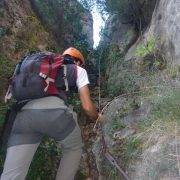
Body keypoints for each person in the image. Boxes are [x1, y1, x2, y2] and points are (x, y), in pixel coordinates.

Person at [0, 47, 99, 180]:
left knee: (12, 175)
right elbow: (87, 107)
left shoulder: (41, 66)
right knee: (74, 147)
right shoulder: (78, 69)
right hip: (53, 113)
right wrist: (98, 117)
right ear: (78, 62)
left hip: (21, 116)